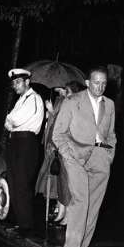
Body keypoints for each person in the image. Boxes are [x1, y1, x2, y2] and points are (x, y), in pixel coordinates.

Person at [52, 66, 117, 247]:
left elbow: (111, 135)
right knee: (81, 200)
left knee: (94, 204)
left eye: (104, 83)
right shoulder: (72, 101)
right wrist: (67, 155)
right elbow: (58, 133)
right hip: (75, 156)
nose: (100, 87)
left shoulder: (110, 105)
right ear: (88, 83)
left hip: (100, 157)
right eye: (96, 83)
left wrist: (109, 155)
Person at [35, 80, 86, 215]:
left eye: (67, 91)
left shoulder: (75, 106)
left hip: (67, 149)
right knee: (60, 182)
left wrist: (52, 112)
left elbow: (64, 125)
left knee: (67, 183)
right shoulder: (63, 102)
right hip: (57, 146)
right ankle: (61, 212)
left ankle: (67, 215)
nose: (63, 92)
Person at [4, 68, 45, 237]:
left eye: (18, 82)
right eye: (13, 83)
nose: (15, 85)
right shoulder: (21, 100)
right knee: (14, 183)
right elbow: (7, 124)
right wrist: (10, 121)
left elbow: (14, 120)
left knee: (22, 184)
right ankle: (20, 222)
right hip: (16, 142)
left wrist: (10, 120)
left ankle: (26, 225)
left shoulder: (34, 98)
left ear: (27, 82)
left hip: (26, 143)